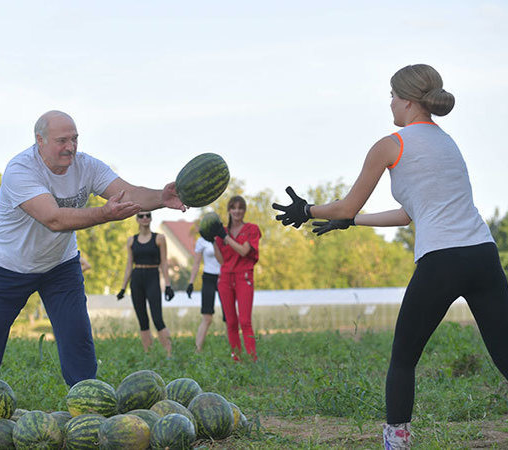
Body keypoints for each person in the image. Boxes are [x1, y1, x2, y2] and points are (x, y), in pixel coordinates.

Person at [272, 64, 508, 449]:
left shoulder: (391, 144)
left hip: (441, 262)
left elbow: (346, 204)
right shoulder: (448, 143)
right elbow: (410, 213)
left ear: (410, 101)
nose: (391, 103)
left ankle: (396, 442)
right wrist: (355, 223)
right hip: (482, 255)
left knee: (403, 359)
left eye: (394, 96)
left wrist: (307, 210)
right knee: (506, 354)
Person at [0, 110, 185, 409]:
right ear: (40, 140)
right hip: (6, 267)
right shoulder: (20, 170)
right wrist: (104, 214)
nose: (71, 147)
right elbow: (54, 218)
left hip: (59, 266)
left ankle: (90, 406)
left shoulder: (86, 166)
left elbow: (129, 193)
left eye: (74, 139)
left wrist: (161, 198)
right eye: (62, 140)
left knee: (77, 336)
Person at [203, 196, 261, 362]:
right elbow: (221, 261)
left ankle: (252, 358)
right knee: (231, 322)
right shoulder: (222, 233)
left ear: (244, 210)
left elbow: (244, 251)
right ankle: (236, 358)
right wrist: (213, 241)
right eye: (233, 208)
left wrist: (225, 237)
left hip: (244, 276)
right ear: (229, 210)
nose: (237, 211)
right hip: (225, 278)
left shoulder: (251, 229)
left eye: (240, 208)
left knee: (245, 320)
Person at [116, 211, 174, 358]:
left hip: (152, 277)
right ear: (137, 219)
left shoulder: (159, 238)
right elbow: (129, 265)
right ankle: (149, 355)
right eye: (141, 216)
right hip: (136, 279)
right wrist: (123, 288)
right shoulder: (131, 241)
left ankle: (169, 353)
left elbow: (164, 263)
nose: (145, 218)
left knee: (157, 318)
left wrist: (168, 285)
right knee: (142, 319)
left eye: (147, 215)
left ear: (151, 218)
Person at [186, 235, 226, 353]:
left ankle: (235, 349)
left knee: (229, 317)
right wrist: (191, 282)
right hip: (208, 278)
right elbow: (196, 263)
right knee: (207, 317)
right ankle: (197, 350)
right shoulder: (202, 240)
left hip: (223, 277)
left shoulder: (224, 237)